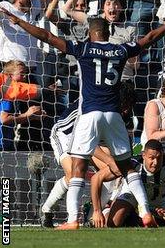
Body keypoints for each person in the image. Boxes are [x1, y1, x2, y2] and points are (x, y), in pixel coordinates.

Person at [0, 3, 165, 230]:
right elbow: (149, 37)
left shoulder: (83, 49)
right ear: (109, 33)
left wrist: (19, 21)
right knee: (129, 167)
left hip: (89, 114)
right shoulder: (121, 51)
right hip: (113, 114)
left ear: (90, 34)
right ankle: (146, 212)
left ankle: (72, 220)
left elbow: (47, 35)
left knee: (79, 167)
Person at [40, 81, 137, 228]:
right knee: (74, 173)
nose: (126, 111)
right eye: (124, 105)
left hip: (89, 140)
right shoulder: (96, 107)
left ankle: (91, 219)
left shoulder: (120, 113)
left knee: (111, 173)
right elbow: (87, 144)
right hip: (65, 134)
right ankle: (47, 210)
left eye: (129, 106)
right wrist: (110, 161)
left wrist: (118, 164)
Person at [90, 139, 165, 227]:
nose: (155, 162)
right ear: (144, 155)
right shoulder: (132, 164)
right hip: (131, 195)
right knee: (112, 224)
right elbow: (96, 178)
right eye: (152, 158)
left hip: (158, 202)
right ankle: (108, 210)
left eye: (159, 158)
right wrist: (97, 211)